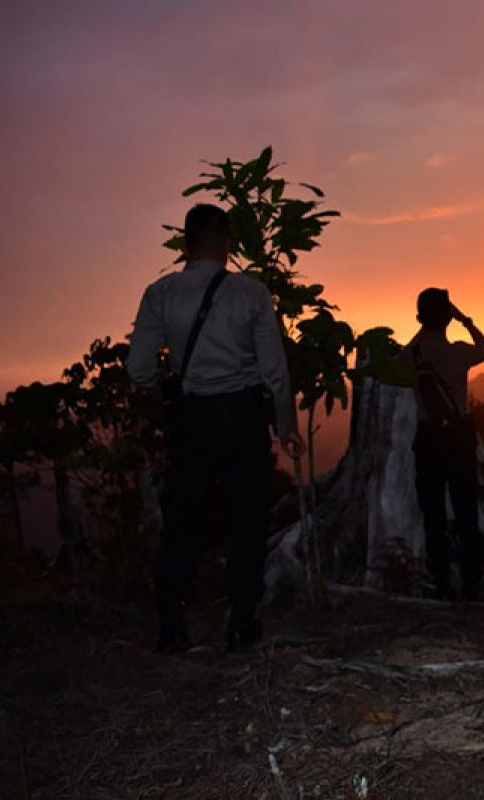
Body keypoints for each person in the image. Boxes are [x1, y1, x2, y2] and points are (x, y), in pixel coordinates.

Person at [127, 203, 304, 654]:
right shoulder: (252, 294)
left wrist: (165, 392)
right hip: (243, 417)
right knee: (247, 522)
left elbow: (139, 368)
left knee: (182, 520)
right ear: (228, 245)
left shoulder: (160, 293)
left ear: (185, 245)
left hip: (192, 418)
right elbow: (275, 372)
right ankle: (242, 625)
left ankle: (171, 627)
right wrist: (286, 426)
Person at [404, 288, 484, 601]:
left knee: (433, 514)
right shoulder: (459, 352)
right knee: (466, 512)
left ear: (420, 319)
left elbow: (394, 366)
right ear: (447, 319)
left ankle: (442, 584)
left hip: (428, 441)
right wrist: (464, 320)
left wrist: (422, 329)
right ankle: (472, 584)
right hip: (459, 439)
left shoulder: (414, 356)